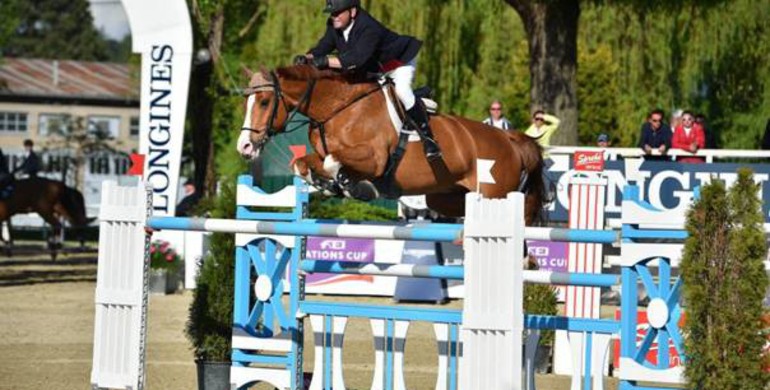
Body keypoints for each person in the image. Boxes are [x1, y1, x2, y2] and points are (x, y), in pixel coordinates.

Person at [297, 0, 441, 161]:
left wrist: (325, 61)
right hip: (373, 66)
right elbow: (323, 48)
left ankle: (428, 138)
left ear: (352, 12)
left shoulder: (369, 27)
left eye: (337, 13)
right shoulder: (334, 25)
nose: (334, 17)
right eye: (332, 13)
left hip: (398, 62)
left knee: (402, 92)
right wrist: (307, 57)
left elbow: (356, 59)